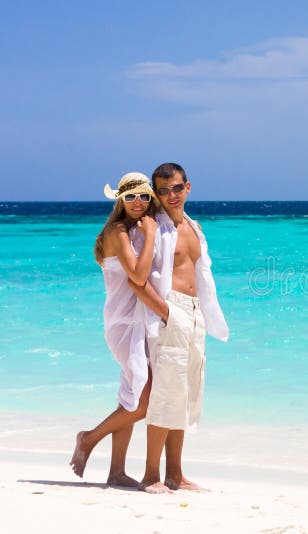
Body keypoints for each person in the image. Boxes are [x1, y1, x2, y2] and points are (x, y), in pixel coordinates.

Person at [129, 163, 229, 494]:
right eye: (163, 190)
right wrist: (167, 312)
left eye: (176, 188)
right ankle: (150, 475)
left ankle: (175, 474)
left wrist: (199, 313)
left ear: (188, 187)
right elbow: (137, 281)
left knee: (185, 394)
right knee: (165, 394)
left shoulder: (193, 227)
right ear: (156, 194)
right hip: (170, 311)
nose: (171, 195)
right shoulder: (151, 228)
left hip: (195, 312)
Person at [70, 173, 160, 485]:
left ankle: (117, 472)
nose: (139, 202)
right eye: (132, 196)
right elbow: (137, 276)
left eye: (145, 197)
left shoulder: (132, 230)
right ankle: (89, 438)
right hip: (122, 323)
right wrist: (151, 236)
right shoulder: (119, 231)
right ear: (120, 200)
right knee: (143, 401)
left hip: (136, 321)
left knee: (130, 397)